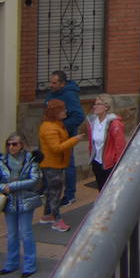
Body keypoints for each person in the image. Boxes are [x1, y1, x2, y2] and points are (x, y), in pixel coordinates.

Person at [0, 134, 42, 277]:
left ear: (21, 145)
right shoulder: (1, 161)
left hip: (26, 201)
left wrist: (12, 186)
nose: (11, 147)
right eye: (9, 144)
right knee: (12, 234)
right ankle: (11, 263)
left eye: (15, 144)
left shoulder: (31, 160)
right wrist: (1, 186)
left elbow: (34, 179)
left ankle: (29, 265)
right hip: (9, 203)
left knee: (26, 233)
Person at [38, 99, 82, 233]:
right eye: (63, 109)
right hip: (52, 165)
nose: (66, 111)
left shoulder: (55, 124)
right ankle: (57, 220)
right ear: (55, 112)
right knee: (55, 193)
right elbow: (56, 148)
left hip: (55, 163)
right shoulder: (50, 128)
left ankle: (47, 215)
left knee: (52, 191)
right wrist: (74, 140)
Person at [46, 70, 84, 205]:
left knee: (68, 165)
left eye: (54, 83)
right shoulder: (51, 94)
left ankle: (69, 195)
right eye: (50, 82)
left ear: (62, 84)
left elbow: (79, 116)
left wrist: (61, 128)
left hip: (65, 137)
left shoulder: (69, 96)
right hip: (50, 136)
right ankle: (48, 191)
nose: (51, 85)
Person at [86, 94, 127, 189]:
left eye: (98, 104)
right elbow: (91, 143)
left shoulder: (114, 124)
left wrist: (117, 165)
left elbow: (120, 146)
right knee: (101, 189)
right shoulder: (92, 122)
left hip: (110, 164)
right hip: (96, 162)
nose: (94, 106)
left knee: (109, 190)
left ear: (106, 107)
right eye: (94, 104)